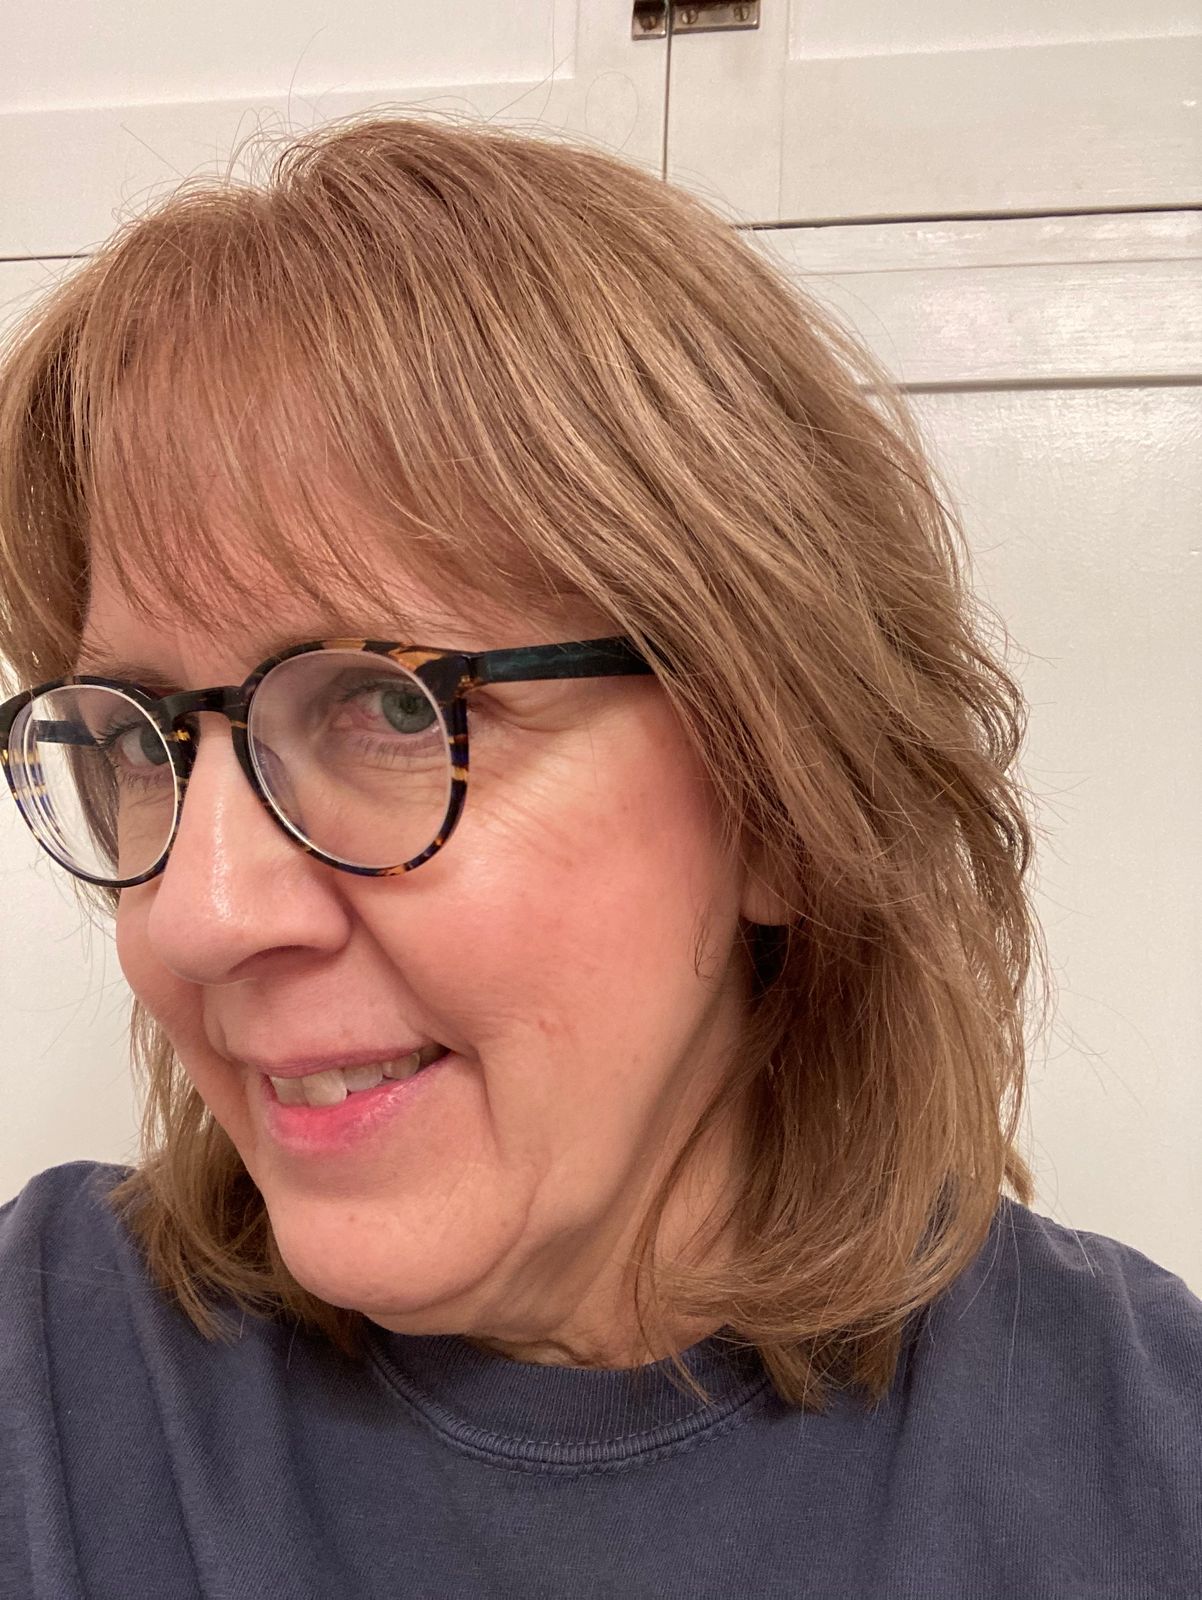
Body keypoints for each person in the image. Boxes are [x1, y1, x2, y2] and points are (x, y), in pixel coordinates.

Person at [0, 111, 1197, 1600]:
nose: (199, 915)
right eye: (139, 742)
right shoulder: (46, 1384)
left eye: (389, 708)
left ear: (778, 794)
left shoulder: (1145, 1469)